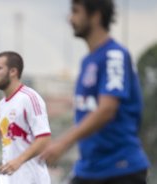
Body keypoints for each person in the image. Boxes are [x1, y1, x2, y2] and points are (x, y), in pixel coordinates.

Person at [40, 0, 150, 184]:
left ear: (96, 15)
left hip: (121, 169)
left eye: (76, 11)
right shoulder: (88, 61)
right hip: (90, 169)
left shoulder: (115, 55)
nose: (70, 18)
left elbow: (107, 109)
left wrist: (63, 143)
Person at [0, 51, 51, 184]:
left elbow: (44, 138)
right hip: (8, 178)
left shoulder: (29, 98)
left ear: (13, 71)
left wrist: (18, 161)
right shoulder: (2, 104)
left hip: (31, 179)